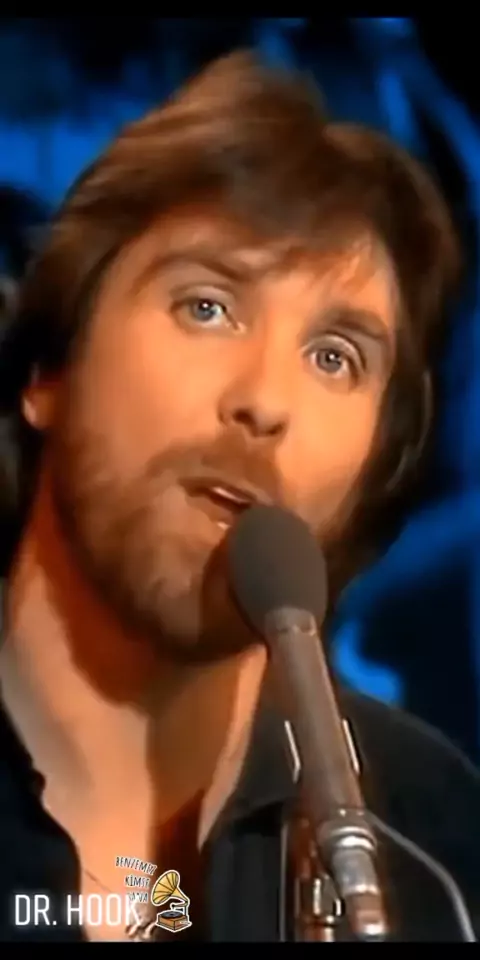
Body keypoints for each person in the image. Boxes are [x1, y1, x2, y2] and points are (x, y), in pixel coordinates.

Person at [0, 50, 478, 944]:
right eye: (207, 307)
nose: (264, 400)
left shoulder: (433, 846)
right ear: (48, 371)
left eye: (334, 358)